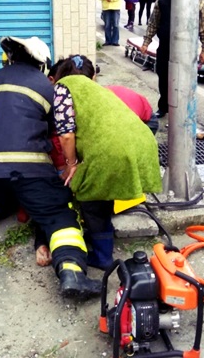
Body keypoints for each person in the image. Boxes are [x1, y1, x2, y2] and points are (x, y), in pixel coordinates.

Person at [0, 36, 103, 300]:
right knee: (57, 213)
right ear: (42, 64)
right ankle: (72, 272)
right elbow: (58, 130)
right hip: (27, 166)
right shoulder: (46, 86)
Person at [50, 55, 163, 270]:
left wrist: (71, 163)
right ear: (93, 76)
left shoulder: (62, 88)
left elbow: (65, 135)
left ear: (57, 77)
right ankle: (104, 236)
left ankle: (102, 257)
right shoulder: (98, 90)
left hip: (111, 150)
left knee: (91, 199)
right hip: (142, 141)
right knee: (103, 190)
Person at [140, 0, 204, 118]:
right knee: (164, 77)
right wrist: (146, 42)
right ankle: (164, 107)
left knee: (183, 81)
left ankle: (182, 111)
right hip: (165, 47)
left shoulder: (199, 0)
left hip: (187, 50)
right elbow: (154, 22)